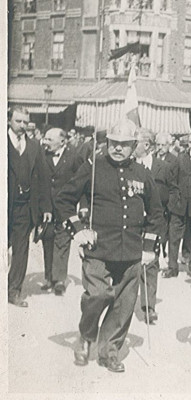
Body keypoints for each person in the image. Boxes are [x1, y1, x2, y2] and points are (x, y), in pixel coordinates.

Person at [55, 120, 164, 372]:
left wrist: (148, 248)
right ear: (107, 143)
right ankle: (86, 335)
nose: (118, 149)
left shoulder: (142, 173)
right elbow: (63, 199)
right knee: (98, 295)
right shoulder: (92, 168)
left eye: (124, 145)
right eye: (113, 143)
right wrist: (78, 229)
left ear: (134, 146)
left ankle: (109, 351)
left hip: (131, 251)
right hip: (98, 248)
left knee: (123, 305)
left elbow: (157, 213)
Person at [8, 106, 52, 307]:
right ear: (10, 120)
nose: (22, 126)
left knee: (21, 249)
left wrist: (47, 208)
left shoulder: (34, 147)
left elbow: (44, 179)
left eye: (25, 122)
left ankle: (14, 290)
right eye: (18, 121)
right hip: (4, 205)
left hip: (25, 207)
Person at [134, 128, 174, 321]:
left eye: (135, 142)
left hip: (155, 221)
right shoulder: (128, 166)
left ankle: (148, 306)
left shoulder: (163, 167)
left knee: (151, 262)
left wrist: (164, 210)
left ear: (147, 145)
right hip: (131, 222)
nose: (131, 146)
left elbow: (174, 191)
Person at [40, 127, 84, 296]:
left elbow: (82, 181)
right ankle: (49, 277)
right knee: (47, 239)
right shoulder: (43, 155)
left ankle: (59, 279)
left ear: (63, 141)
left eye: (50, 140)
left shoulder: (74, 157)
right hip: (47, 207)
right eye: (45, 139)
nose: (45, 142)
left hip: (66, 207)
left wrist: (82, 205)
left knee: (63, 242)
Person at [163, 131, 191, 279]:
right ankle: (172, 267)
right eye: (190, 142)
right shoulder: (180, 158)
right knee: (173, 235)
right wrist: (174, 199)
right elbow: (172, 179)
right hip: (179, 205)